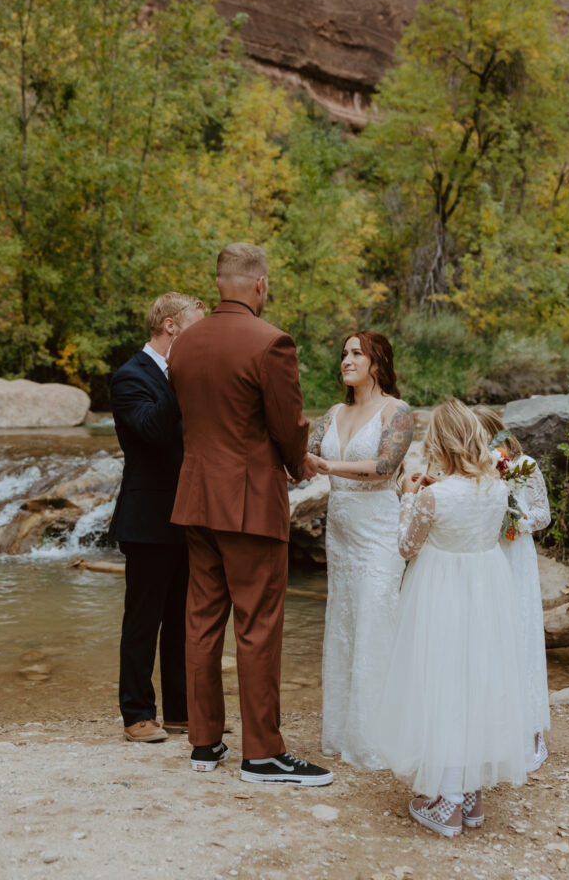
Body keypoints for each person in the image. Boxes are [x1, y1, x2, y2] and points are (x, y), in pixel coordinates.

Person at [168, 242, 332, 786]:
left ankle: (204, 741)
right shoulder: (272, 342)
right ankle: (262, 753)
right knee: (258, 626)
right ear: (259, 284)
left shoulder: (184, 344)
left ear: (219, 282)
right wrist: (298, 463)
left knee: (201, 621)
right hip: (250, 502)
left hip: (195, 498)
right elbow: (287, 426)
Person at [376, 399, 526, 837]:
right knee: (476, 683)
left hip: (441, 594)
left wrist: (408, 498)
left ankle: (447, 802)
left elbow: (407, 547)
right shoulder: (497, 489)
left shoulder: (432, 495)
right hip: (486, 593)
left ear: (439, 443)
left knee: (441, 684)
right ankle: (472, 795)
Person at [307, 331, 413, 769]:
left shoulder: (397, 411)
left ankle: (378, 737)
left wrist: (330, 467)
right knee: (345, 621)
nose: (346, 360)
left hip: (377, 529)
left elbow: (385, 465)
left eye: (356, 353)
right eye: (344, 353)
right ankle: (343, 731)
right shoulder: (333, 412)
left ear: (377, 361)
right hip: (342, 533)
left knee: (375, 619)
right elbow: (305, 453)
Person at [109, 291, 206, 743]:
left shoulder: (181, 375)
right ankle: (137, 715)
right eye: (196, 325)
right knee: (143, 619)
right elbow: (149, 430)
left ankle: (182, 713)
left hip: (188, 514)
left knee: (183, 620)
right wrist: (184, 379)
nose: (202, 335)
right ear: (171, 326)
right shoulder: (131, 376)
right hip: (147, 518)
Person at [473, 404, 552, 771]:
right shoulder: (471, 470)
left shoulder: (525, 467)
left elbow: (543, 514)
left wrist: (515, 521)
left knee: (520, 635)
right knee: (489, 639)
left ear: (493, 432)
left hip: (515, 555)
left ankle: (532, 731)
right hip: (485, 558)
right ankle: (493, 729)